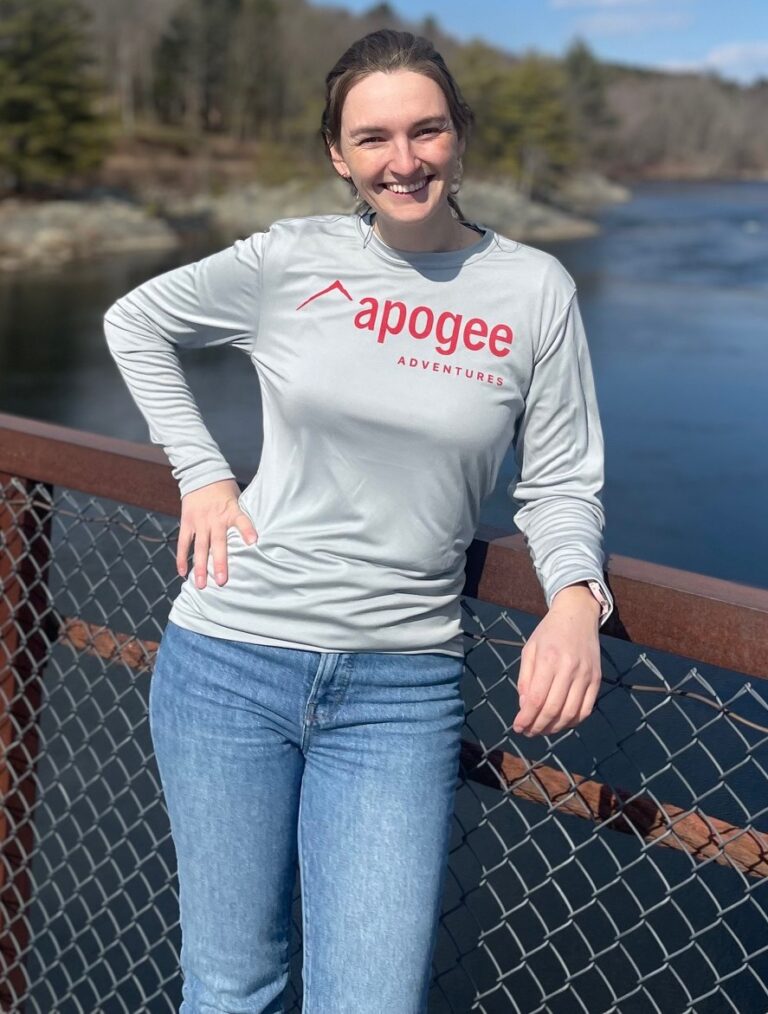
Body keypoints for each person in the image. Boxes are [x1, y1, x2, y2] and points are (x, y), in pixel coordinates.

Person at [103, 28, 613, 1014]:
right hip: (229, 659)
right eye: (373, 137)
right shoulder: (290, 259)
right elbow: (135, 321)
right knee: (233, 983)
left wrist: (576, 599)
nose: (405, 158)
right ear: (339, 154)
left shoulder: (534, 290)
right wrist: (204, 474)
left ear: (460, 135)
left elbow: (557, 484)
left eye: (427, 130)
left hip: (399, 687)